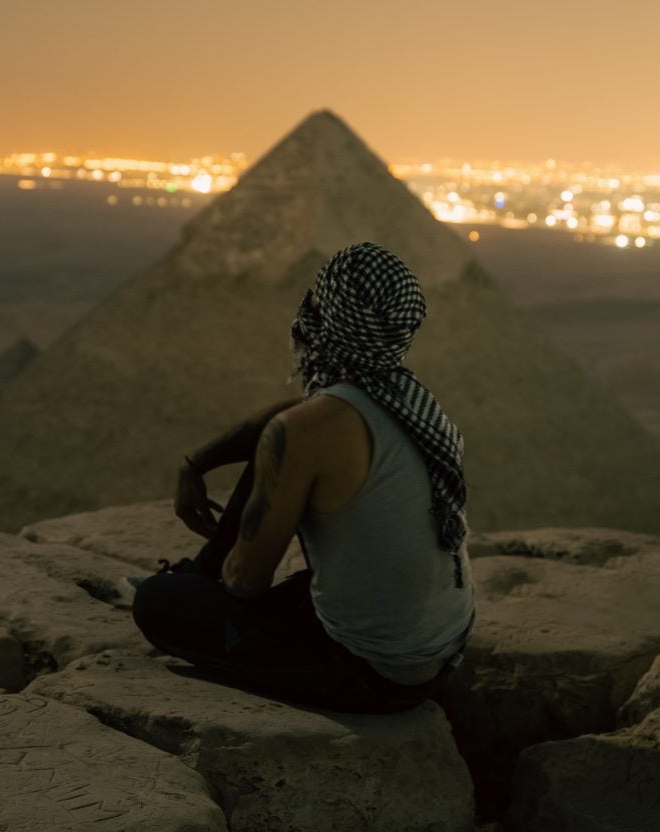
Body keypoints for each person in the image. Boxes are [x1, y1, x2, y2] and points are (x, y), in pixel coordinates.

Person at [133, 242, 474, 713]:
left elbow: (246, 583)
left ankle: (193, 581)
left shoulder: (306, 432)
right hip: (439, 650)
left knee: (156, 603)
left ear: (331, 318)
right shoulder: (408, 404)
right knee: (276, 461)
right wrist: (198, 462)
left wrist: (208, 589)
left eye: (315, 299)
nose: (305, 310)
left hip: (372, 674)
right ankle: (198, 578)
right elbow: (290, 420)